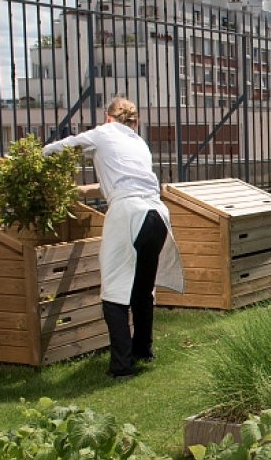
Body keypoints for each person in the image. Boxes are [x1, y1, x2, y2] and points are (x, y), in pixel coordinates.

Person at [41, 98, 183, 379]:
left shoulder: (102, 134)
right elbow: (121, 181)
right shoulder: (138, 144)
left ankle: (121, 367)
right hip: (157, 216)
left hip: (128, 215)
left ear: (107, 118)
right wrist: (82, 191)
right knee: (142, 290)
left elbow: (56, 150)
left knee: (114, 294)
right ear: (135, 122)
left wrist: (36, 158)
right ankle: (144, 350)